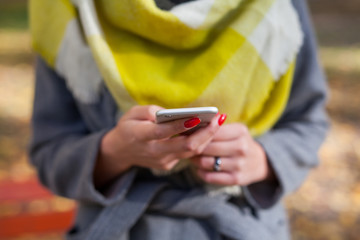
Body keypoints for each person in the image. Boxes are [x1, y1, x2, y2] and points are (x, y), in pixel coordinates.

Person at [29, 0, 328, 239]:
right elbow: (49, 151)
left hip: (243, 226)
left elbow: (308, 122)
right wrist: (113, 152)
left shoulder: (276, 7)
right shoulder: (71, 9)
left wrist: (260, 159)